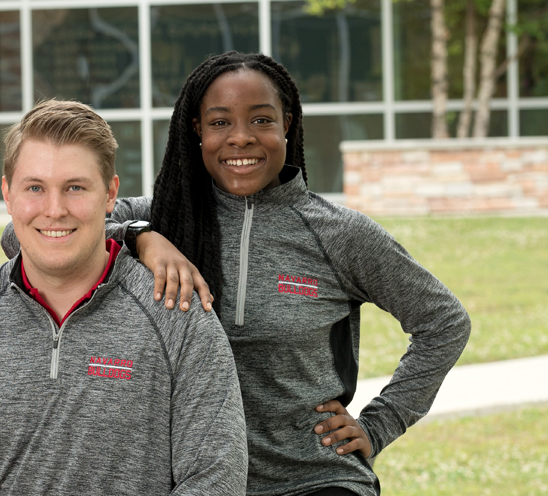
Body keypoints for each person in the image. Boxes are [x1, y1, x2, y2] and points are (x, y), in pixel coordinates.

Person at [103, 52, 471, 496]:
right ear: (197, 130)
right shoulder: (162, 217)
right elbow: (49, 232)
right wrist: (141, 237)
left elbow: (444, 322)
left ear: (287, 125)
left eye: (261, 120)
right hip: (190, 481)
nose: (241, 137)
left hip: (313, 478)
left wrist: (380, 423)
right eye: (220, 122)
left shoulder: (338, 234)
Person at [0, 99, 247, 495]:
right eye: (35, 188)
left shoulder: (178, 318)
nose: (54, 210)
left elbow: (216, 476)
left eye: (75, 188)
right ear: (7, 194)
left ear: (110, 195)